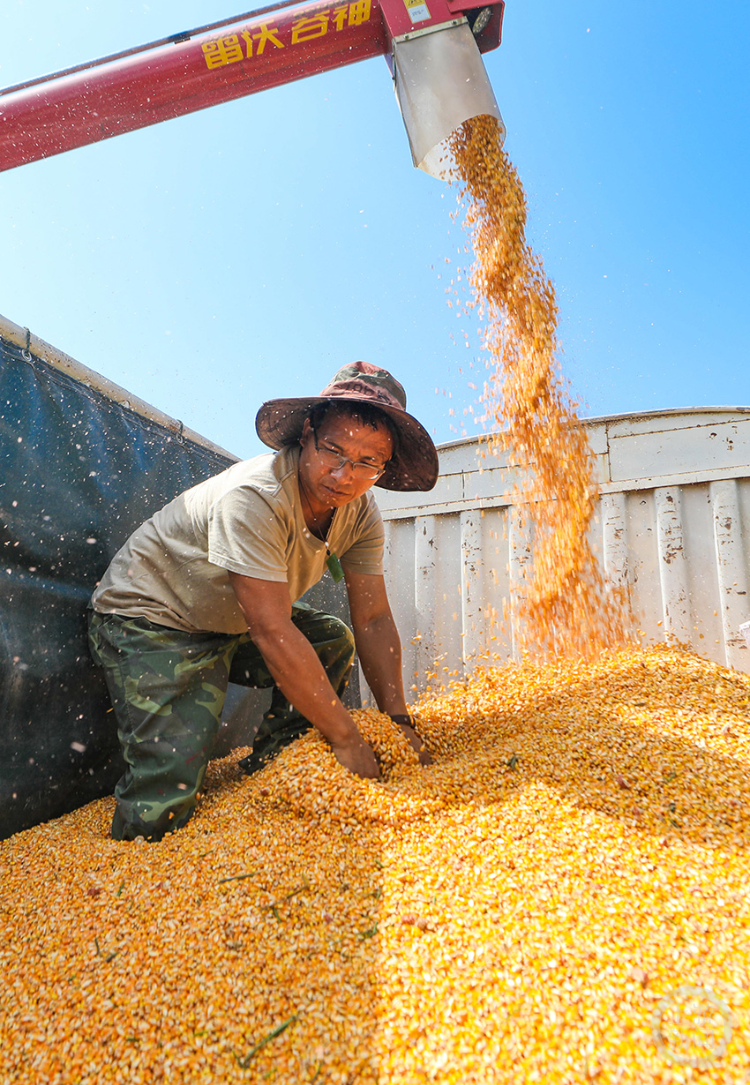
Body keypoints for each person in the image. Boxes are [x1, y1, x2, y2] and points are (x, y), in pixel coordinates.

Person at [88, 361, 439, 841]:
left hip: (227, 620)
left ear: (385, 464)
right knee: (164, 806)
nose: (343, 474)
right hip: (152, 618)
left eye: (366, 463)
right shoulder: (256, 496)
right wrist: (348, 739)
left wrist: (399, 722)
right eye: (333, 450)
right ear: (308, 433)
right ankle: (128, 865)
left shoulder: (358, 513)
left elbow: (374, 618)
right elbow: (271, 630)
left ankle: (281, 767)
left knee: (329, 639)